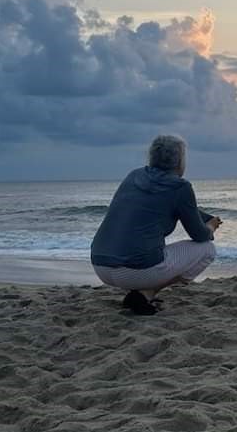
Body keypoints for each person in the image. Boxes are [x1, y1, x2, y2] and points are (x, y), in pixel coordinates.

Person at [90, 134, 222, 315]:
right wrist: (210, 227)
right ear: (180, 161)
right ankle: (147, 292)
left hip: (101, 264)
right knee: (208, 249)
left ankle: (140, 293)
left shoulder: (134, 176)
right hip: (135, 271)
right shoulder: (180, 187)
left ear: (151, 156)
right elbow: (199, 235)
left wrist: (205, 217)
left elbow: (177, 208)